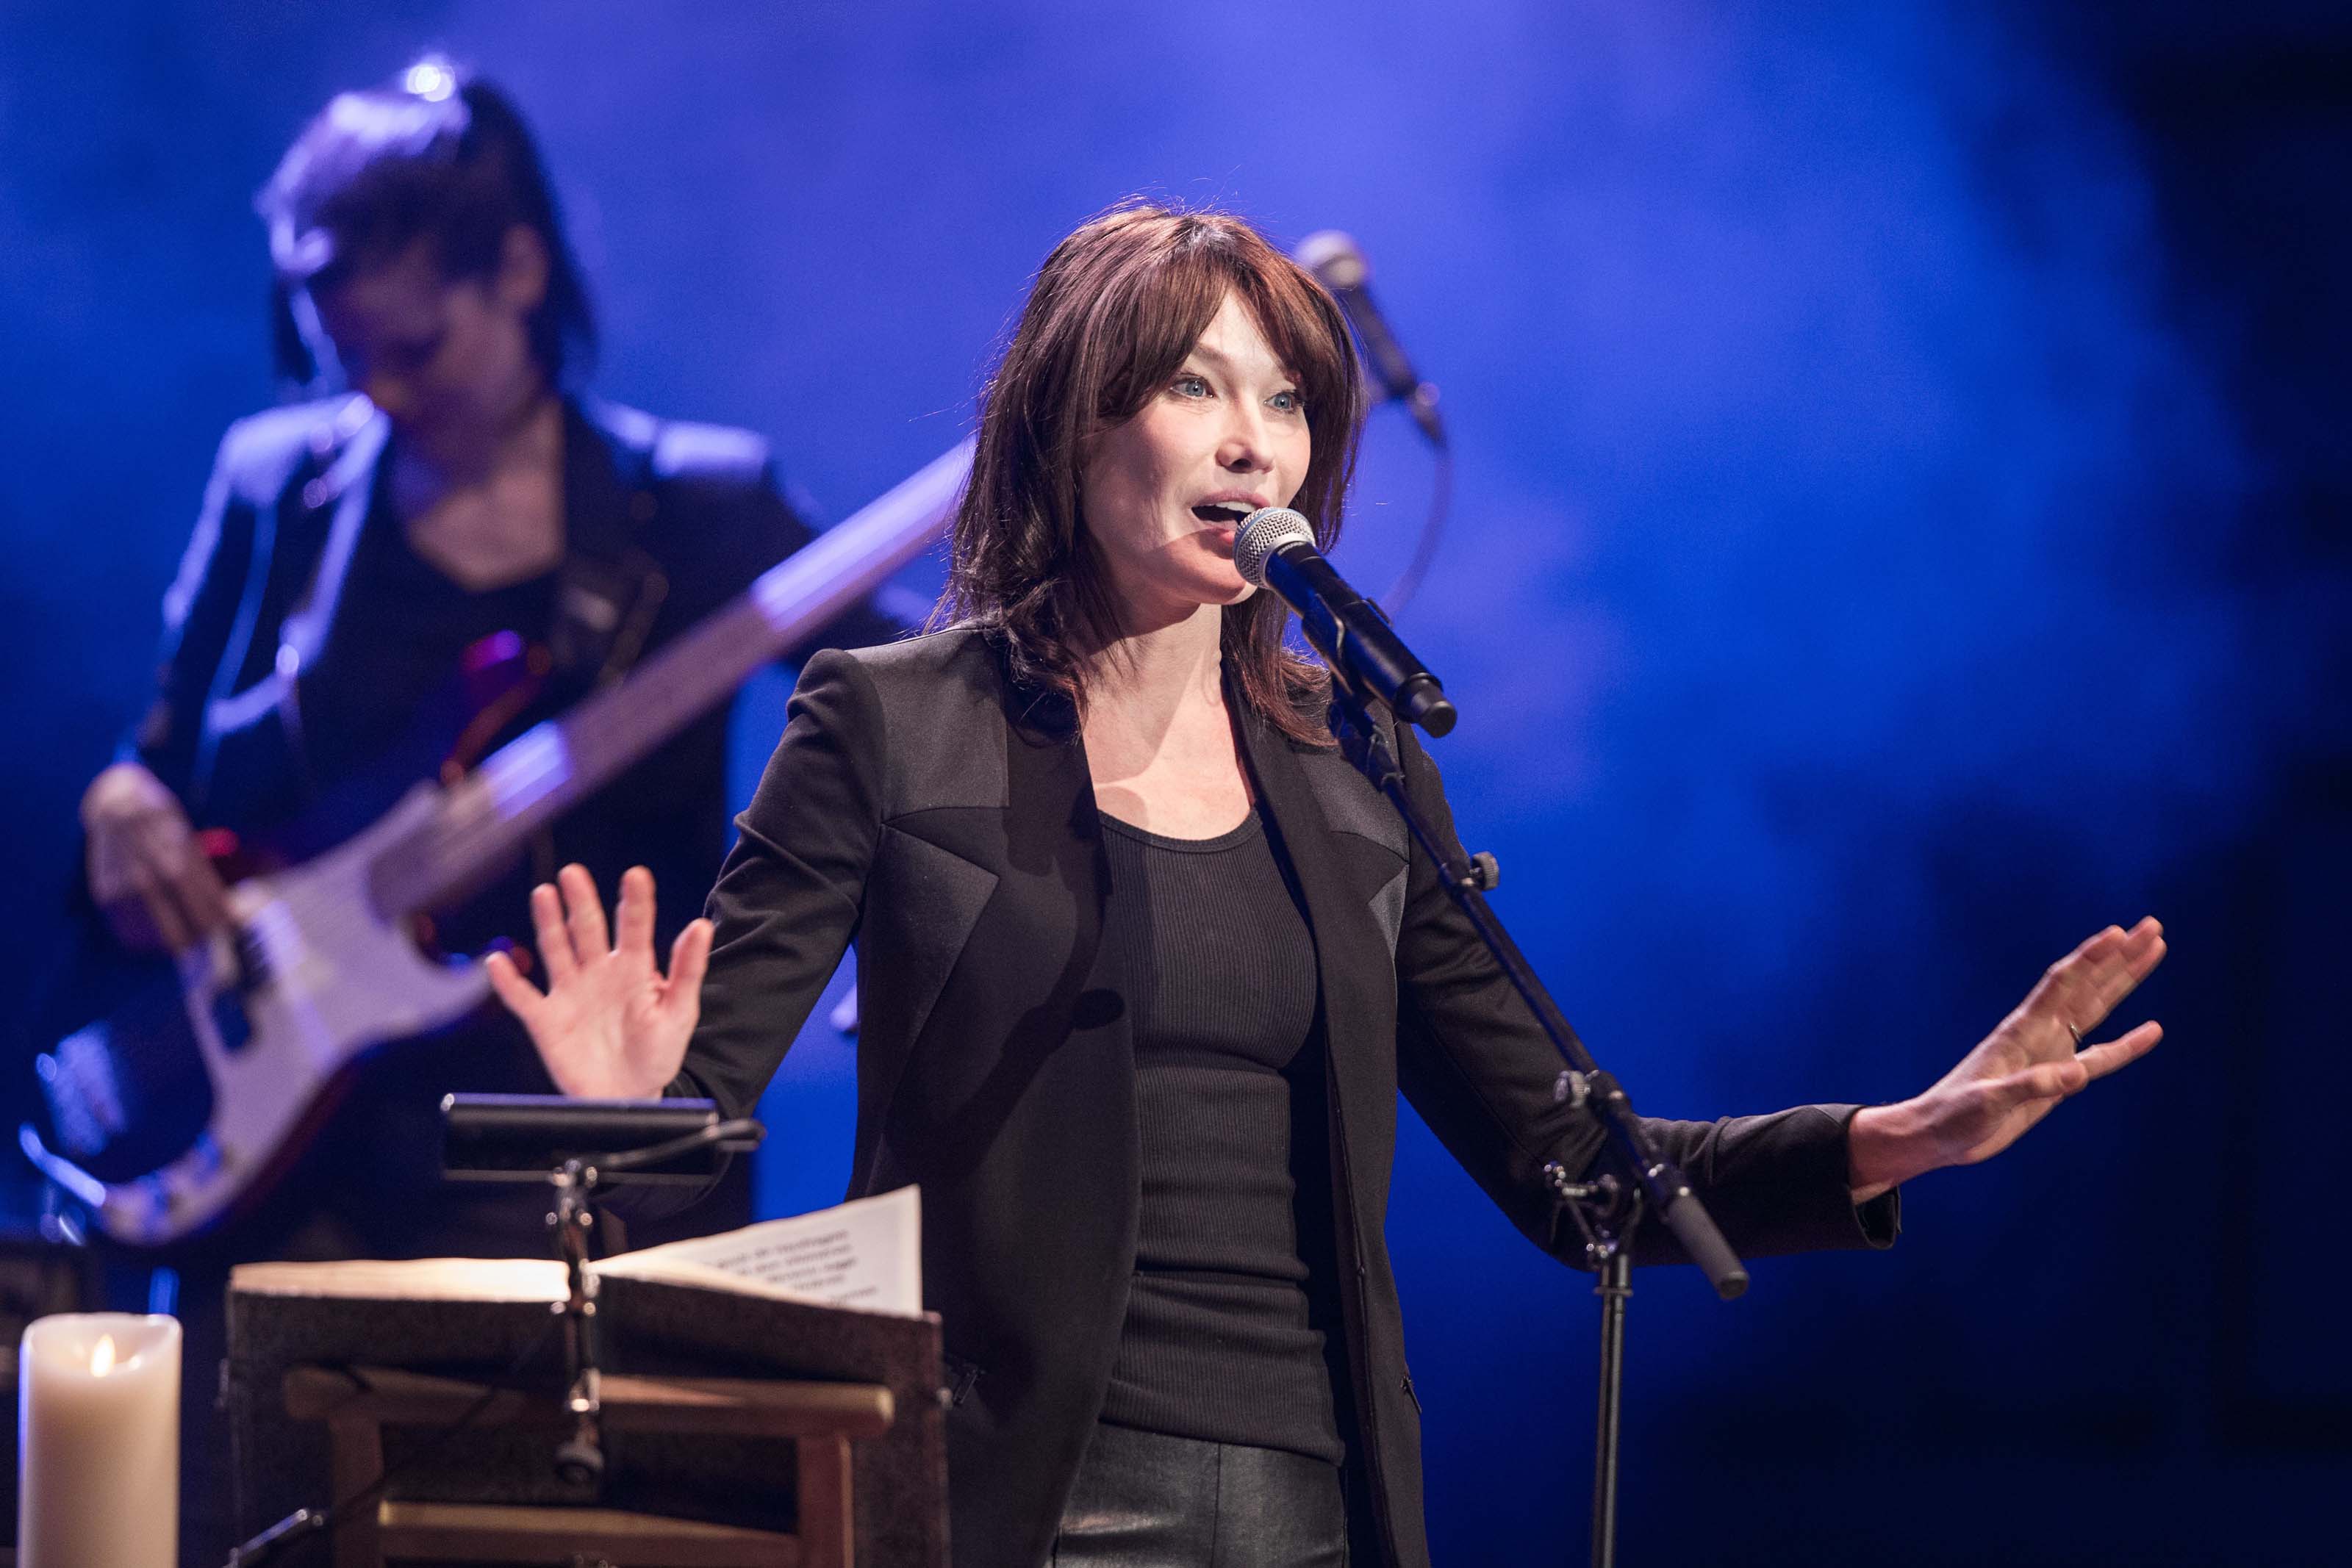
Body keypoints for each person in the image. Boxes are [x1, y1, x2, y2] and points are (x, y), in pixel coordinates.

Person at [486, 205, 2168, 1568]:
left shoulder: (1353, 767)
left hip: (1315, 1501)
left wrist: (1894, 1135)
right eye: (1200, 388)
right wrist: (624, 1123)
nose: (1253, 440)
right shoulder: (889, 722)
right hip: (1015, 1497)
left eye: (1286, 399)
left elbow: (1572, 1161)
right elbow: (690, 1141)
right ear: (1079, 422)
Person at [64, 56, 904, 1561]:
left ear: (516, 265)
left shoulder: (694, 506)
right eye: (345, 354)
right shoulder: (277, 485)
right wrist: (120, 802)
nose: (378, 388)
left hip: (568, 1169)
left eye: (412, 343)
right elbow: (161, 765)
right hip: (281, 1167)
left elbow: (919, 695)